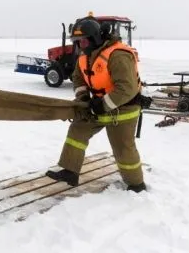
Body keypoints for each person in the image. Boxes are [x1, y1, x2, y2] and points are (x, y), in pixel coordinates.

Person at [45, 16, 147, 192]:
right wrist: (83, 97)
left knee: (122, 147)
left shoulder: (118, 55)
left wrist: (102, 105)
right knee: (78, 129)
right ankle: (70, 171)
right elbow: (78, 78)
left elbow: (126, 88)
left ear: (96, 38)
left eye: (83, 41)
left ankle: (136, 184)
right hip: (99, 105)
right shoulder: (85, 57)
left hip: (123, 108)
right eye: (77, 42)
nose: (80, 46)